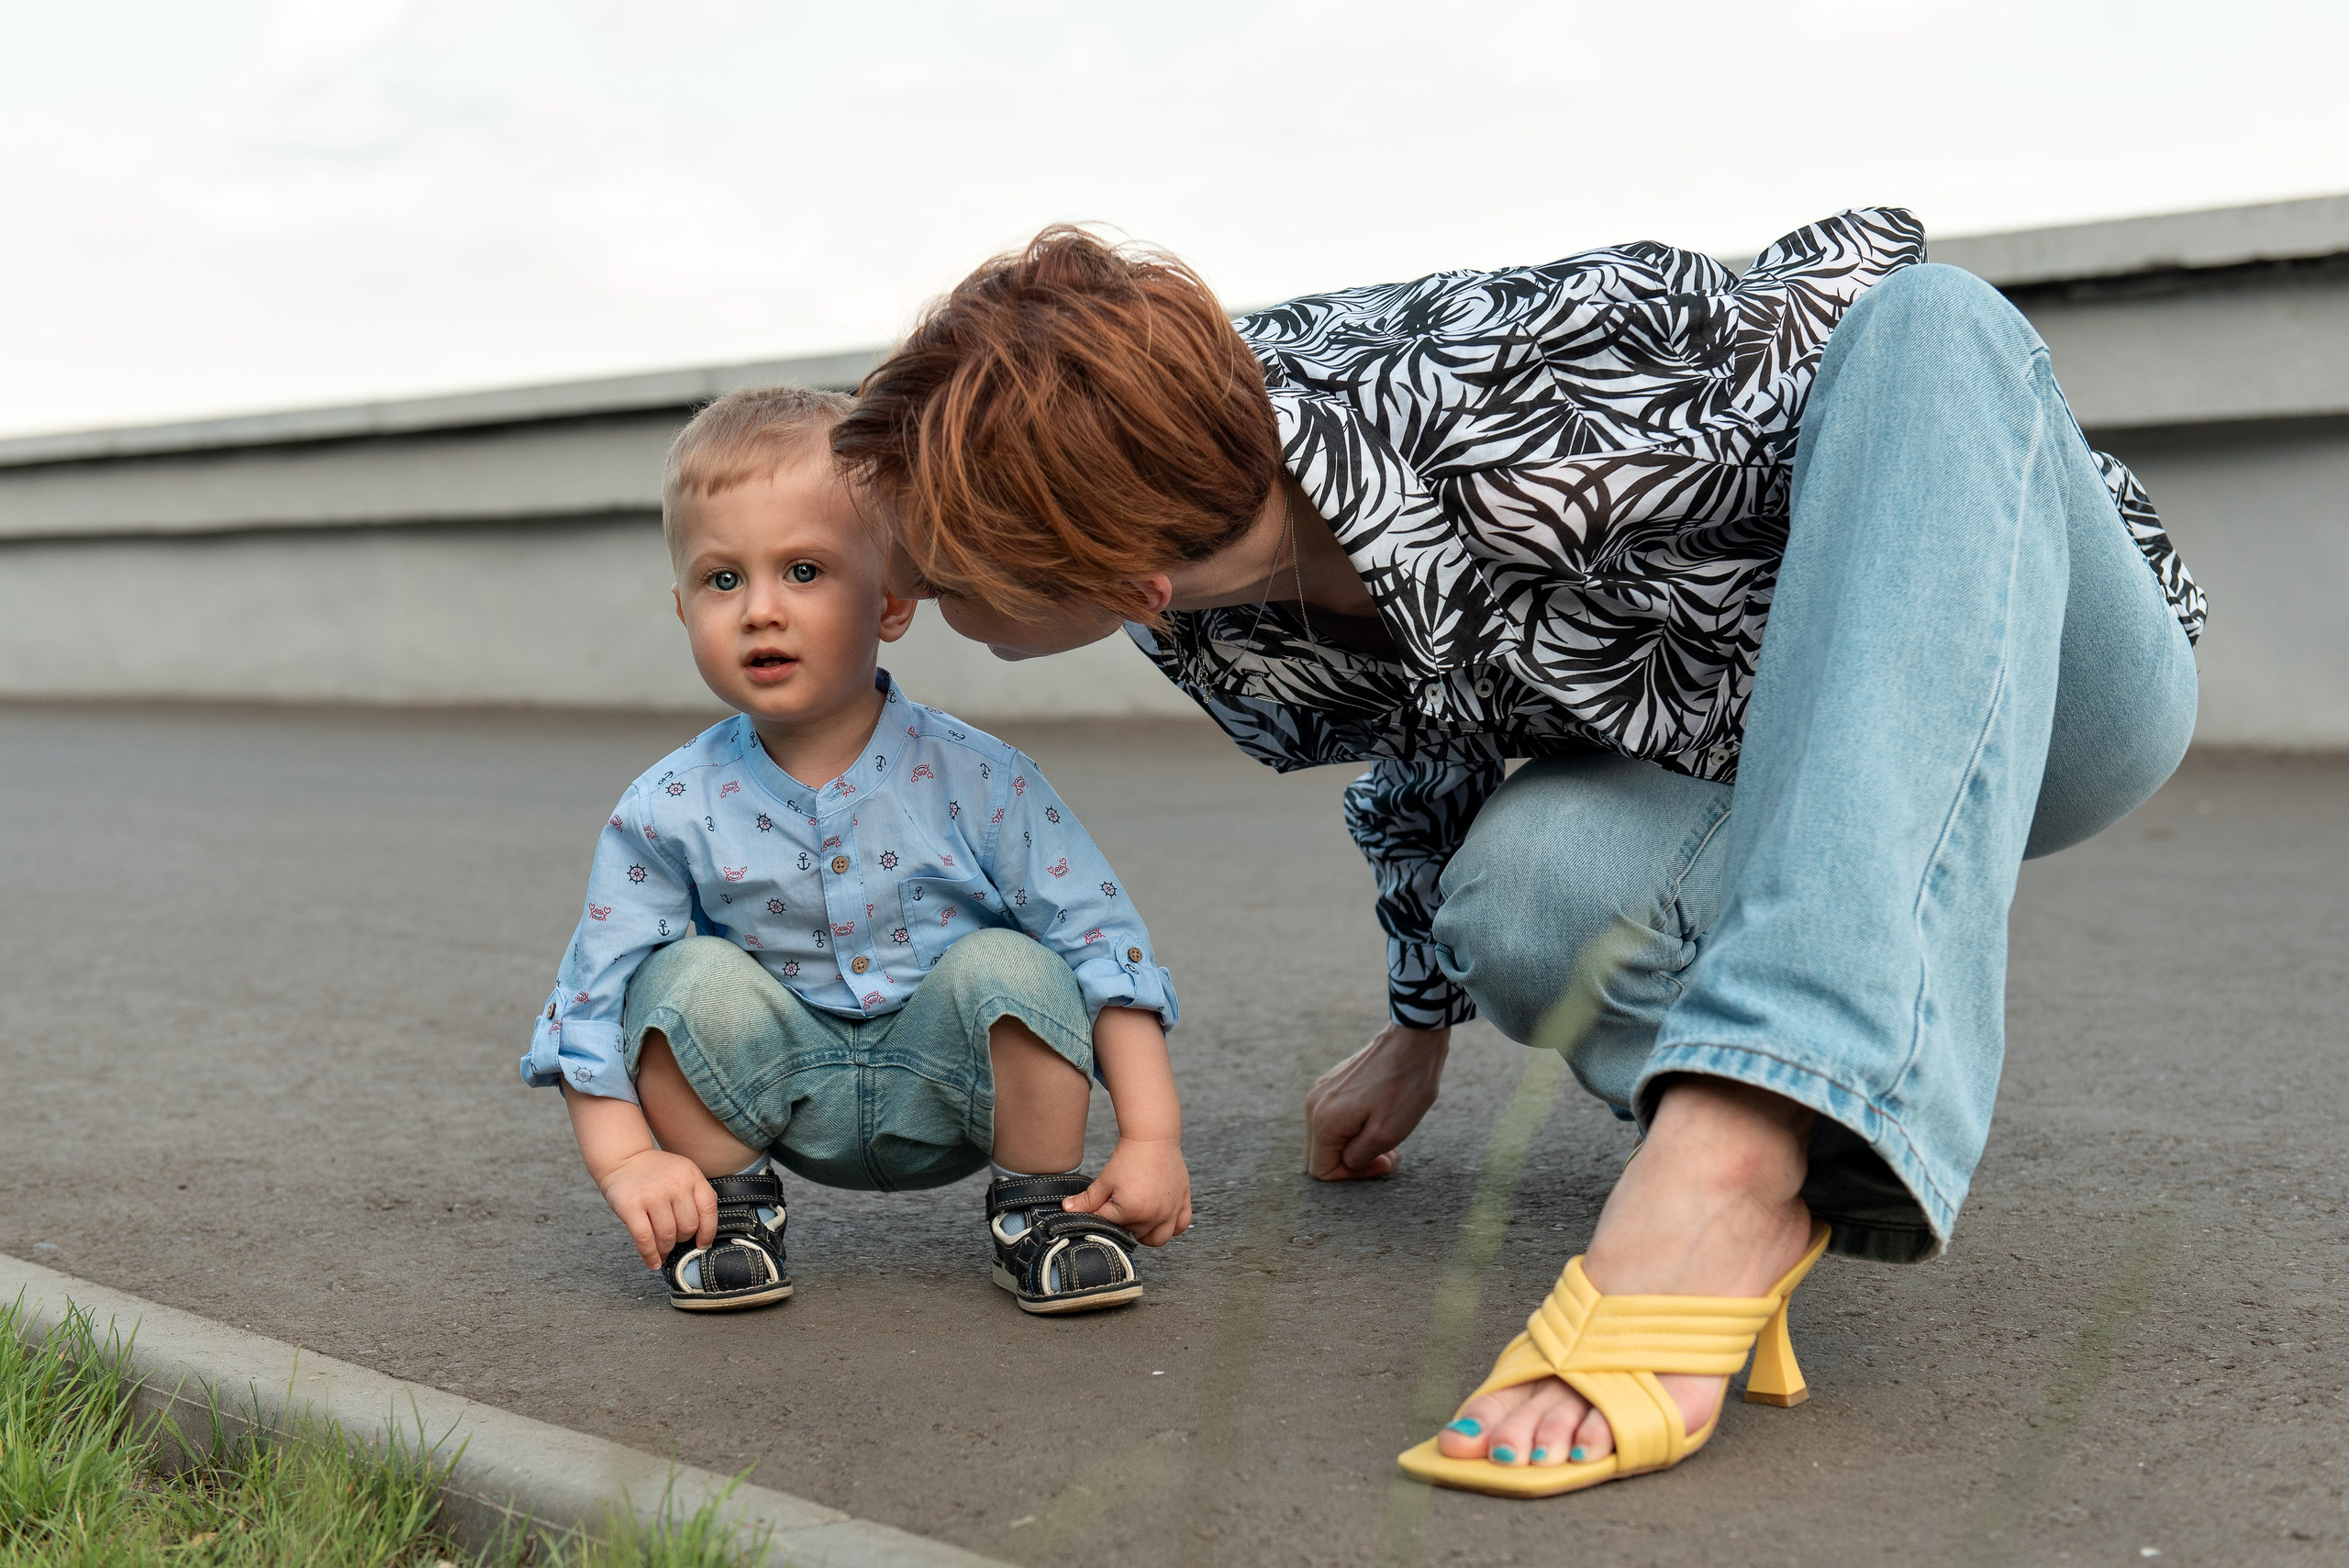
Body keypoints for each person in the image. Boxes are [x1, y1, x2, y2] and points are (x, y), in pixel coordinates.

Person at [829, 212, 2204, 1493]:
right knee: (1525, 893)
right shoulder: (1210, 622)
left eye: (946, 587)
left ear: (1123, 574)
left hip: (2051, 670)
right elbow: (1431, 732)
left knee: (1930, 320)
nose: (914, 605)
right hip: (1758, 784)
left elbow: (1887, 362)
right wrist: (1417, 1024)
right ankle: (1788, 1147)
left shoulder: (1501, 395)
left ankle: (1729, 1154)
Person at [522, 386, 1191, 1318]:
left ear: (893, 601)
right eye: (724, 580)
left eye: (804, 569)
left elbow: (1102, 944)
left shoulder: (979, 776)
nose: (760, 610)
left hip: (952, 1081)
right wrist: (629, 1158)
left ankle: (1043, 1210)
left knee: (1017, 961)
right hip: (775, 1081)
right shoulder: (667, 806)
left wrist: (1152, 1136)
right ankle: (730, 1215)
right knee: (675, 976)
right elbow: (592, 996)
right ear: (682, 609)